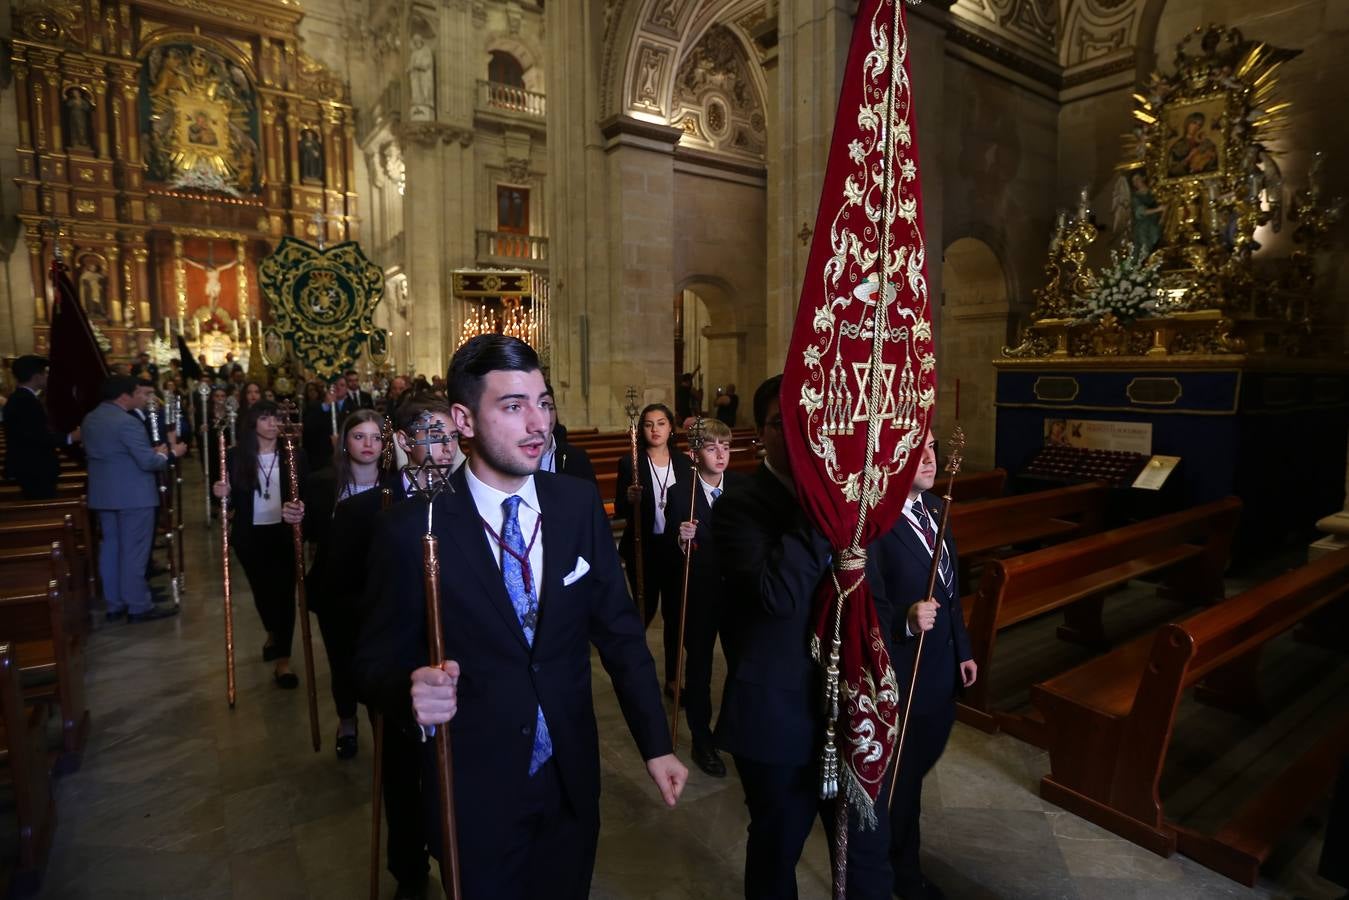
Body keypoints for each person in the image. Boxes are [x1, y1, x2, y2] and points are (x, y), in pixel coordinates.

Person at [355, 335, 686, 900]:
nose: (540, 424)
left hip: (569, 777)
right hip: (473, 787)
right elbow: (368, 661)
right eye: (513, 406)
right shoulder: (413, 529)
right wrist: (408, 691)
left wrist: (656, 743)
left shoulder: (576, 504)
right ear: (463, 418)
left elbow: (621, 634)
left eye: (545, 402)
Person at [713, 375, 896, 900]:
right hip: (777, 715)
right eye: (783, 425)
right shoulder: (739, 504)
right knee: (777, 847)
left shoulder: (856, 506)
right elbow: (777, 596)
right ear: (761, 434)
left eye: (810, 423)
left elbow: (875, 599)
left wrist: (882, 679)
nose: (798, 436)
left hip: (850, 709)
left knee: (865, 847)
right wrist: (825, 511)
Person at [322, 396, 462, 900]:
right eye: (434, 436)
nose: (446, 448)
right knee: (403, 778)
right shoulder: (366, 509)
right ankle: (408, 870)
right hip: (399, 667)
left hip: (456, 662)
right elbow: (334, 591)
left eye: (450, 436)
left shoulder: (465, 500)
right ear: (402, 441)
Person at [872, 428, 977, 900]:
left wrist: (964, 649)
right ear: (893, 460)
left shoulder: (937, 508)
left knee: (916, 770)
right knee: (901, 781)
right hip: (901, 667)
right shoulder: (877, 521)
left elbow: (953, 592)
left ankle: (900, 858)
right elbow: (864, 603)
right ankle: (898, 875)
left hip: (940, 666)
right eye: (917, 450)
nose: (930, 458)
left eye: (933, 447)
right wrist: (906, 619)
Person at [304, 409, 387, 758]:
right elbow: (310, 535)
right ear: (343, 441)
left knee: (377, 661)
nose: (368, 444)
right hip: (335, 588)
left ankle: (379, 722)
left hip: (379, 589)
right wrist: (295, 518)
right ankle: (347, 720)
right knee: (342, 660)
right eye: (359, 436)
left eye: (375, 437)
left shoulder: (394, 483)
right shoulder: (324, 483)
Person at [665, 416, 741, 778]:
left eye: (725, 447)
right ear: (695, 455)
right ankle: (701, 737)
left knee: (741, 665)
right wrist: (682, 540)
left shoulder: (741, 488)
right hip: (701, 595)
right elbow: (669, 549)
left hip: (738, 595)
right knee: (700, 669)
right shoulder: (682, 494)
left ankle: (734, 729)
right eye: (711, 448)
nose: (721, 455)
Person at [212, 400, 306, 688]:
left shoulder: (293, 454)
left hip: (283, 533)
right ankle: (272, 632)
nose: (272, 424)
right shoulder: (234, 455)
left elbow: (306, 492)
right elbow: (222, 495)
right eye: (266, 418)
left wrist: (302, 508)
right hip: (249, 535)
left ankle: (283, 661)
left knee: (284, 596)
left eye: (276, 418)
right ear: (253, 422)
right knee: (263, 593)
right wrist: (221, 492)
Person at [82, 376, 185, 622]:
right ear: (123, 396)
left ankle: (115, 603)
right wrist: (170, 454)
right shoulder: (126, 422)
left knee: (111, 549)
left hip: (104, 495)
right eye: (136, 393)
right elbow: (147, 462)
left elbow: (114, 453)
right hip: (133, 495)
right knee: (134, 552)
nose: (140, 398)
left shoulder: (90, 418)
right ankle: (138, 605)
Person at [614, 403, 693, 692]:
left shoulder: (683, 463)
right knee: (642, 612)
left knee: (675, 615)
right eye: (648, 424)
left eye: (661, 423)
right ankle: (636, 673)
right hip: (643, 549)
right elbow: (621, 510)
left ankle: (673, 678)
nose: (655, 429)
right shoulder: (630, 462)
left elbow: (689, 504)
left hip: (674, 551)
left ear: (671, 427)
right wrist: (628, 497)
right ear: (641, 430)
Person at [3, 355, 79, 499]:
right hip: (34, 468)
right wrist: (70, 437)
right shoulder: (24, 401)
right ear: (37, 376)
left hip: (33, 467)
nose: (46, 376)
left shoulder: (23, 398)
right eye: (45, 373)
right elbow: (35, 436)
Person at [538, 383, 596, 486]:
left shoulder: (578, 458)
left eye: (551, 408)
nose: (547, 416)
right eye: (541, 408)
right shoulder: (514, 460)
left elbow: (592, 500)